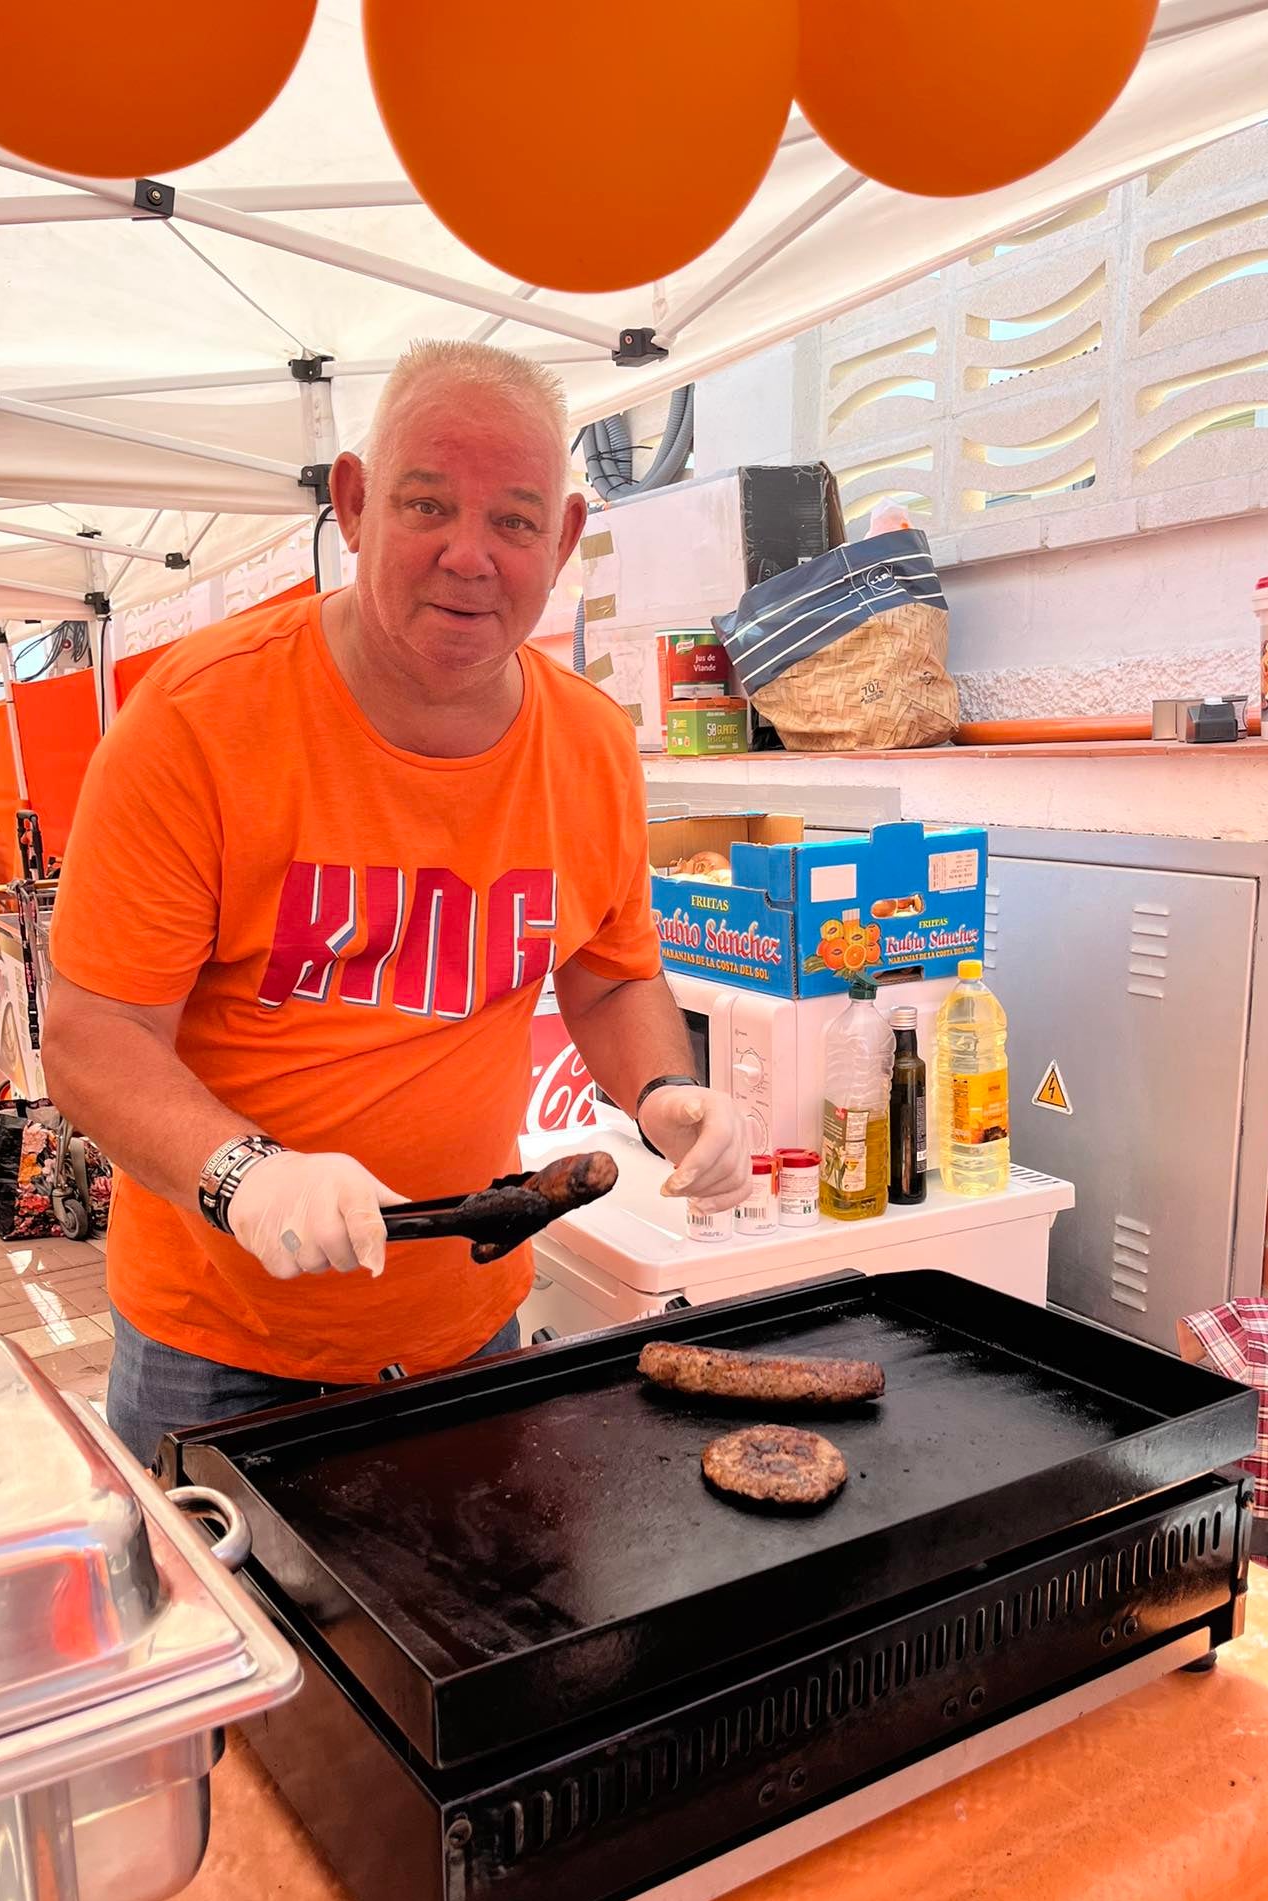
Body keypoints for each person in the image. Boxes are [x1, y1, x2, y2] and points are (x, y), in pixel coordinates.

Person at [44, 340, 752, 1465]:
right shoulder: (198, 720)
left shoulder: (590, 743)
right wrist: (246, 1174)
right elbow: (92, 1039)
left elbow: (610, 972)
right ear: (358, 503)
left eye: (514, 521)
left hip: (467, 1325)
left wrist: (668, 1091)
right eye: (428, 504)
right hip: (221, 1346)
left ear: (564, 539)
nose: (469, 556)